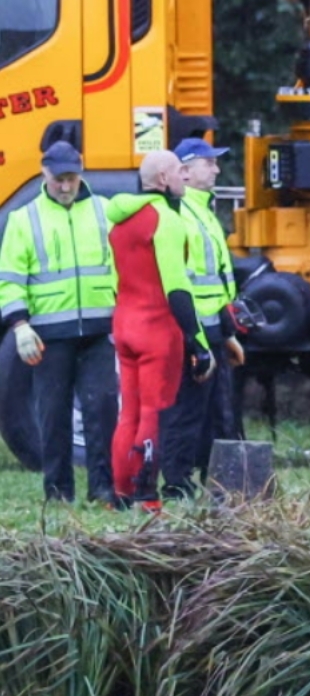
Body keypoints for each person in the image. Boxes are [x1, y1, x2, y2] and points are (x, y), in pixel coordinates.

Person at [0, 142, 119, 503]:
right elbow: (10, 278)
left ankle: (102, 488)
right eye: (58, 180)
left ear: (80, 173)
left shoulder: (105, 211)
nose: (65, 187)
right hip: (48, 335)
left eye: (71, 179)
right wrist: (19, 325)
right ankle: (58, 491)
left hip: (100, 331)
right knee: (52, 415)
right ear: (44, 174)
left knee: (102, 408)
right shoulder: (25, 218)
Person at [107, 150, 213, 510]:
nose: (186, 176)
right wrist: (199, 343)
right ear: (164, 180)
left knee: (128, 414)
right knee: (153, 412)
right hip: (156, 329)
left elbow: (116, 278)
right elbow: (176, 288)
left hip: (124, 325)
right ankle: (148, 496)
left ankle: (120, 493)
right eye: (180, 170)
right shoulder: (165, 219)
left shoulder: (120, 219)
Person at [159, 137, 244, 499]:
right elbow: (180, 281)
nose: (217, 169)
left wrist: (227, 331)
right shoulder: (182, 214)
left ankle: (217, 480)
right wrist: (195, 335)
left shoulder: (203, 211)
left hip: (212, 326)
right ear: (187, 171)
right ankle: (177, 483)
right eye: (209, 162)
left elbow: (217, 281)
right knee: (187, 411)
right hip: (191, 329)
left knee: (215, 411)